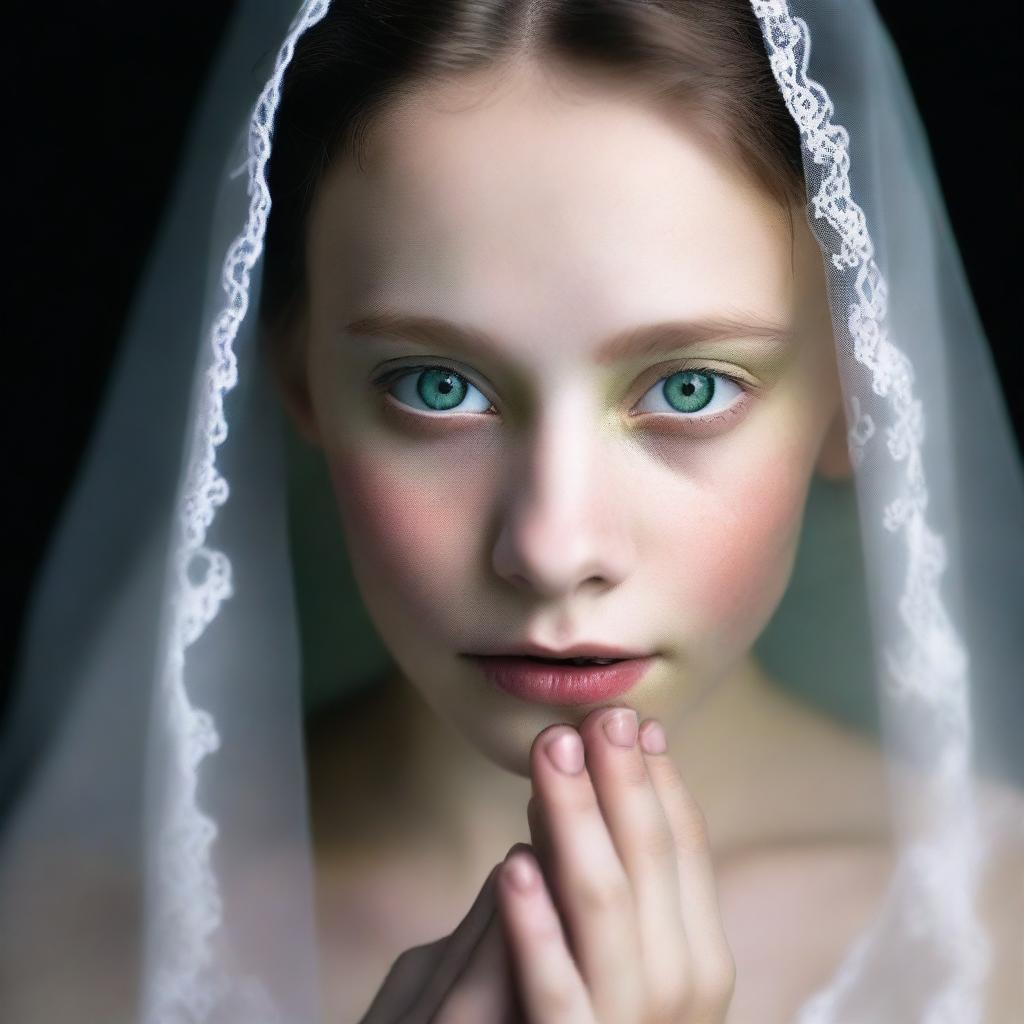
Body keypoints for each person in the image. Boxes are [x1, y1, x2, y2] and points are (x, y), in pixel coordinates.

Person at [1, 2, 1021, 1022]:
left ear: (857, 393)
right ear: (295, 375)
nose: (549, 549)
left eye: (689, 388)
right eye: (436, 387)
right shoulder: (59, 948)